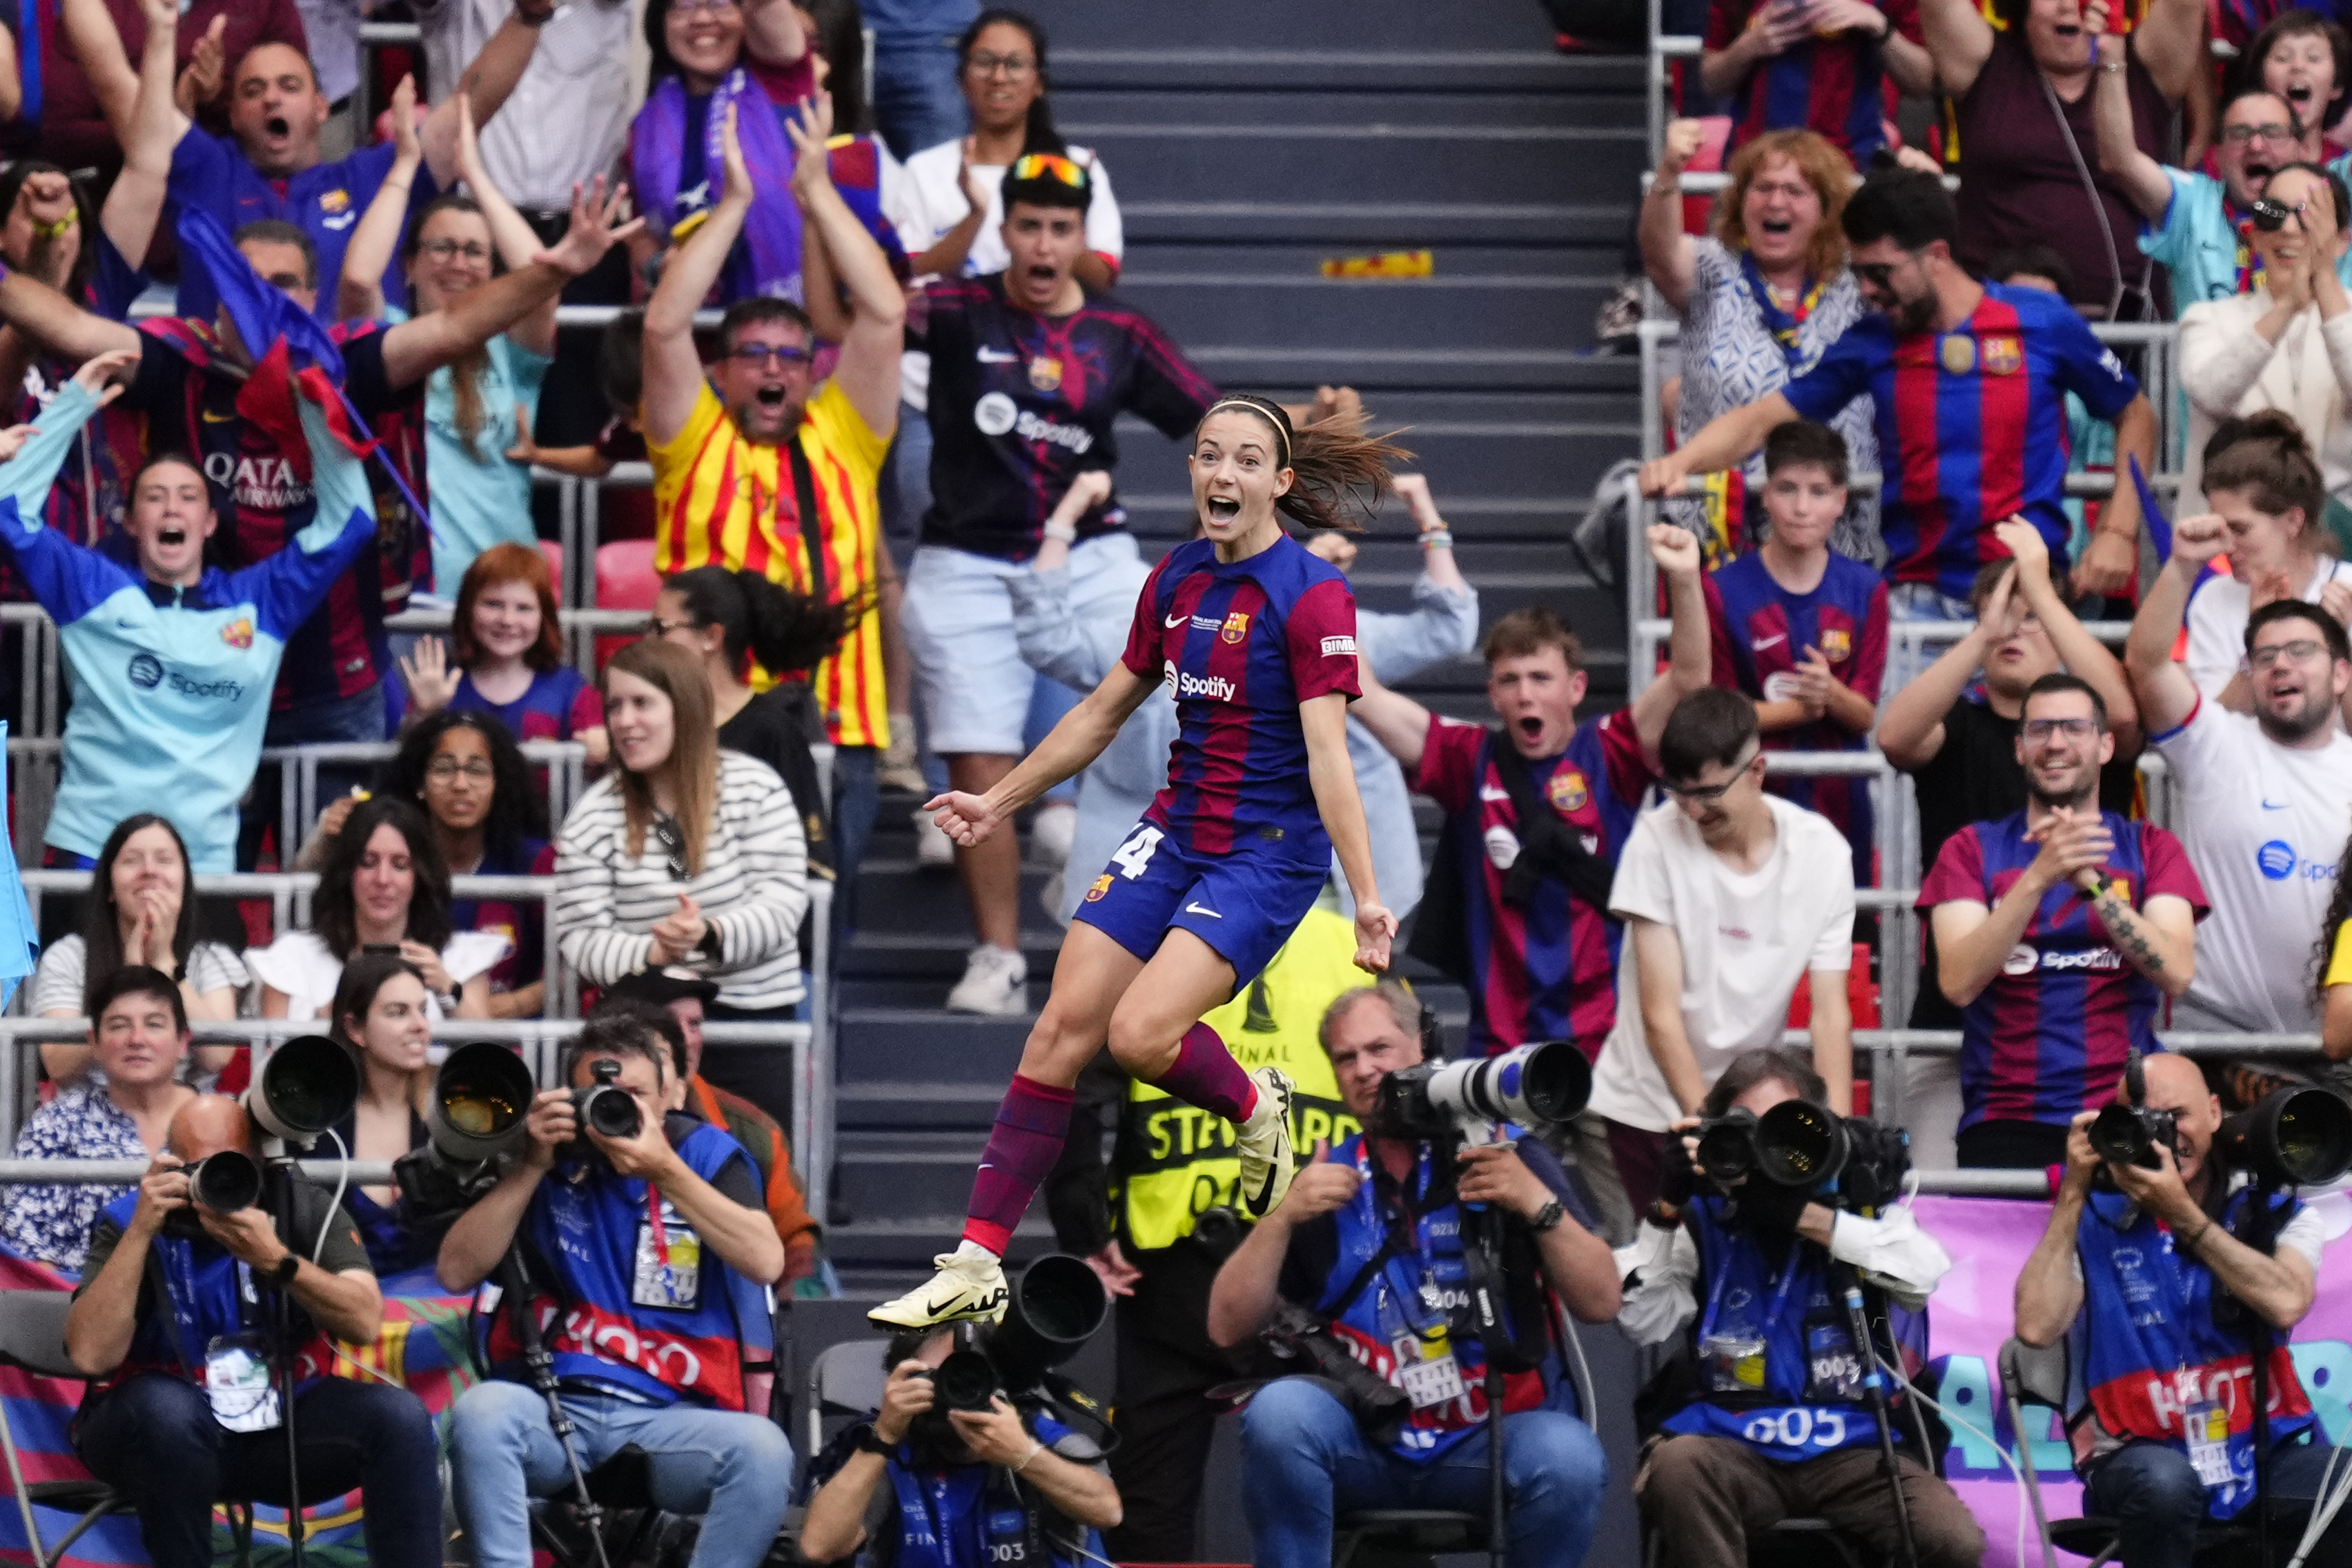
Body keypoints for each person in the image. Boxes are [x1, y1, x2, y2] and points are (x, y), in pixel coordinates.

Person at [865, 397, 1404, 1331]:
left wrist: (1364, 897)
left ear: (1280, 482)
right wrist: (998, 802)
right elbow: (1100, 712)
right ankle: (979, 1261)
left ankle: (1251, 1106)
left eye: (1245, 460)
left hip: (1266, 853)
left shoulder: (1314, 595)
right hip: (1174, 828)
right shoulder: (1178, 578)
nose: (1221, 474)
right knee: (1057, 1035)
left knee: (1141, 1035)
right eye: (1207, 456)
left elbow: (1329, 756)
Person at [0, 169, 638, 844]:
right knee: (210, 883)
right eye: (241, 283)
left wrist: (557, 271)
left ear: (311, 296)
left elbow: (451, 327)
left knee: (332, 886)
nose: (259, 301)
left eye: (280, 287)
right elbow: (68, 326)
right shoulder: (180, 360)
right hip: (207, 684)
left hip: (335, 685)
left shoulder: (349, 360)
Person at [903, 146, 1235, 1016]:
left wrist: (1305, 433)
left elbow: (1215, 424)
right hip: (965, 558)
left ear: (1083, 235)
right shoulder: (955, 306)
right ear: (1004, 231)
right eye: (1028, 227)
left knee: (1178, 695)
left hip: (1089, 553)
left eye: (1061, 228)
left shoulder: (1121, 334)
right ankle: (1000, 955)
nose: (1044, 245)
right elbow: (847, 304)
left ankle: (1114, 867)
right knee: (976, 753)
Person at [1203, 981, 1619, 1568]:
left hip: (1487, 1438)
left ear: (1421, 1049)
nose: (1365, 1069)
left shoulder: (1506, 1154)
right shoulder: (1323, 1173)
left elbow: (1601, 1302)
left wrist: (1536, 1202)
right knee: (1279, 1413)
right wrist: (1281, 1217)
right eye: (1346, 1058)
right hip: (1366, 1439)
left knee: (1570, 1457)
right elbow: (1226, 1328)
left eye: (1380, 1049)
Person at [1641, 168, 2157, 633]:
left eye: (1880, 272)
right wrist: (1680, 462)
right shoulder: (1871, 341)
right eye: (1859, 271)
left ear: (1935, 257)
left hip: (2030, 596)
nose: (1865, 289)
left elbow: (2135, 414)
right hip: (1915, 604)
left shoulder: (2041, 319)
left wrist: (2118, 530)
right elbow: (1759, 422)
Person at [1043, 907, 1366, 1564]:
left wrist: (1084, 1225)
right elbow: (1404, 1072)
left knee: (1152, 1501)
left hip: (1182, 1256)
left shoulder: (1146, 933)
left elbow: (1067, 1077)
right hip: (1318, 1255)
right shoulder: (1350, 939)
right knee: (1357, 1477)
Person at [643, 92, 900, 920]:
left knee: (817, 944)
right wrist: (738, 205)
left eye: (793, 355)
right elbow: (663, 324)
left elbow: (885, 312)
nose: (775, 369)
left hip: (838, 735)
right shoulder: (692, 443)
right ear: (723, 373)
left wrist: (816, 191)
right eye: (752, 353)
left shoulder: (844, 434)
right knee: (705, 933)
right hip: (709, 727)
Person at [0, 351, 382, 875]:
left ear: (208, 523)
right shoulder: (91, 589)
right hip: (93, 849)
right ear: (131, 523)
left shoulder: (263, 600)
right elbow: (8, 511)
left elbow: (353, 521)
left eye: (188, 497)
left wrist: (313, 408)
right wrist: (74, 404)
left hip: (201, 863)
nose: (172, 509)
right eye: (155, 498)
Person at [440, 1017, 792, 1568]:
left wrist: (665, 1169)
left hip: (673, 1418)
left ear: (669, 1097)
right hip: (557, 1407)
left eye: (634, 1095)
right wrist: (530, 1164)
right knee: (482, 1412)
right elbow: (455, 1272)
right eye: (599, 1095)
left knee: (764, 1452)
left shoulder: (702, 1153)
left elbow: (767, 1260)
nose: (616, 1111)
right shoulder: (545, 1157)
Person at [1349, 531, 1712, 1067]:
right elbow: (1360, 691)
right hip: (1502, 1053)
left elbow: (1688, 679)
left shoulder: (1611, 751)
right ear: (1493, 694)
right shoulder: (1466, 758)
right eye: (1510, 680)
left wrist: (1683, 578)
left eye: (1542, 678)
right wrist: (1315, 591)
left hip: (1610, 1049)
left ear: (1577, 688)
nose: (1525, 694)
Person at [1620, 1048, 1982, 1568]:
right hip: (1732, 1443)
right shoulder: (1702, 1220)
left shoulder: (1858, 1206)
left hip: (1853, 1451)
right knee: (1677, 1466)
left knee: (1953, 1539)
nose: (1772, 1150)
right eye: (1752, 1132)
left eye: (1785, 1130)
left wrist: (1804, 1216)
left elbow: (1923, 1277)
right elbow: (1641, 1321)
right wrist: (1666, 1205)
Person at [65, 1094, 436, 1568]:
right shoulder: (130, 1218)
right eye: (201, 1167)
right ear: (170, 1166)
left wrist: (277, 1261)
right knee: (167, 1410)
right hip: (151, 1431)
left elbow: (364, 1322)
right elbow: (92, 1356)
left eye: (233, 1166)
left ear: (259, 1163)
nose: (218, 1182)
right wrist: (142, 1230)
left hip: (270, 1420)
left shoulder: (294, 1204)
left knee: (399, 1418)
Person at [2014, 1052, 2351, 1567]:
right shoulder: (2092, 1220)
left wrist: (2183, 1216)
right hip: (2136, 1455)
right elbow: (2036, 1328)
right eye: (2144, 1121)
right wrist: (2074, 1193)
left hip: (2261, 1453)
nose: (2165, 1138)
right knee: (2167, 1486)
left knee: (2343, 1483)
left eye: (2178, 1118)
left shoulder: (2271, 1213)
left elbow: (2286, 1303)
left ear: (2216, 1113)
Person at [1877, 526, 2144, 1165]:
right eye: (1999, 618)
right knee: (1935, 1212)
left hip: (2080, 1033)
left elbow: (2125, 718)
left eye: (2030, 621)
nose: (2010, 634)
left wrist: (2044, 598)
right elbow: (1893, 736)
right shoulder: (1959, 728)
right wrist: (1983, 632)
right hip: (1955, 1019)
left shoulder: (2090, 738)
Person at [59, 0, 553, 322]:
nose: (272, 100)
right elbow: (113, 81)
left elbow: (471, 104)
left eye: (289, 87)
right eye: (253, 91)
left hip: (348, 416)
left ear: (321, 107)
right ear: (231, 114)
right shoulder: (204, 170)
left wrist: (528, 18)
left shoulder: (377, 177)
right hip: (224, 426)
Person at [1586, 689, 1859, 1229]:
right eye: (1678, 792)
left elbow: (1831, 1014)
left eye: (1709, 791)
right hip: (1650, 1108)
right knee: (1657, 1296)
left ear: (1757, 770)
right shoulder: (1654, 840)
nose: (1691, 809)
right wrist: (1714, 1133)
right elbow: (1660, 1018)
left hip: (1753, 1113)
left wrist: (1837, 1136)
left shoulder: (1822, 850)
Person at [1921, 674, 2206, 1168]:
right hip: (2005, 1116)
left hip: (2124, 1110)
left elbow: (2176, 972)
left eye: (2074, 728)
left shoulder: (2150, 847)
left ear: (2105, 745)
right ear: (2019, 748)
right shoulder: (1970, 848)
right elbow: (1959, 982)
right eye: (2040, 730)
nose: (2056, 743)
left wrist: (2092, 885)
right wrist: (2039, 877)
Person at [2128, 513, 2352, 1043]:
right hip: (2218, 1036)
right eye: (2265, 656)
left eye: (2302, 651)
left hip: (2340, 1046)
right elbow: (2146, 664)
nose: (2280, 665)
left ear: (2341, 672)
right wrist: (2183, 567)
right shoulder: (2212, 743)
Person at [553, 636, 811, 1078]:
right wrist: (657, 952)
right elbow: (581, 937)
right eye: (614, 706)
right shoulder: (592, 815)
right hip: (639, 1032)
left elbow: (784, 904)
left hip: (751, 1021)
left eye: (642, 703)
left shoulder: (756, 787)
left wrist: (708, 935)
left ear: (685, 707)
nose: (625, 721)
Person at [338, 92, 554, 598]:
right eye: (441, 248)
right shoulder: (386, 338)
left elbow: (542, 279)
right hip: (405, 594)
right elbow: (355, 279)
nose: (459, 263)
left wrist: (476, 176)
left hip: (504, 598)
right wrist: (405, 168)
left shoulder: (510, 348)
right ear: (409, 267)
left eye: (475, 251)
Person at [1641, 122, 1878, 569]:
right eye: (1763, 187)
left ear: (1827, 210)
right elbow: (1659, 253)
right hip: (1721, 528)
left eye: (1795, 190)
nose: (1776, 202)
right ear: (1740, 202)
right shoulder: (1713, 267)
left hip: (1837, 526)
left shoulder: (1858, 281)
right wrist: (1670, 172)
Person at [1914, 0, 2203, 318]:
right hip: (1997, 329)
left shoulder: (2147, 66)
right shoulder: (1984, 63)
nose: (2069, 6)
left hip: (2124, 330)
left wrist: (2111, 47)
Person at [1703, 420, 1887, 886]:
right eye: (1787, 489)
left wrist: (1832, 694)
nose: (1802, 508)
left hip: (1840, 799)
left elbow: (1865, 715)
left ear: (1841, 501)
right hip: (1751, 796)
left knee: (1847, 935)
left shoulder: (1866, 590)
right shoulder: (1723, 589)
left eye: (1818, 492)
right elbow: (1720, 715)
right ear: (1765, 494)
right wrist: (1805, 707)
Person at [1301, 472, 1482, 923]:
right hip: (1254, 864)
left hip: (1354, 881)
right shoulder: (1205, 633)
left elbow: (1452, 630)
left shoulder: (1349, 630)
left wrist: (1426, 516)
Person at [798, 1326, 1120, 1567]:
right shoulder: (887, 1451)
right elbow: (817, 1547)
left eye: (968, 1375)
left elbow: (1108, 1510)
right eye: (935, 1378)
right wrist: (883, 1437)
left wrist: (1023, 1455)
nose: (953, 1391)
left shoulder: (1040, 1435)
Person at [308, 712, 554, 1018]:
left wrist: (502, 1008)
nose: (460, 784)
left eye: (477, 771)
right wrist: (322, 841)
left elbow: (566, 972)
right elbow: (308, 896)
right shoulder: (386, 851)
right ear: (419, 783)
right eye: (444, 769)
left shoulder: (534, 861)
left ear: (498, 783)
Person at [594, 974, 823, 1286]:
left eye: (695, 1025)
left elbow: (796, 1240)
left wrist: (787, 1318)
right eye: (671, 1027)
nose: (687, 1041)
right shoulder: (570, 1124)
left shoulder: (752, 1130)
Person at [652, 563, 858, 899]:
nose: (651, 642)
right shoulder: (654, 726)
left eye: (662, 628)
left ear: (711, 637)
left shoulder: (772, 730)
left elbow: (804, 858)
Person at [2095, 61, 2352, 308]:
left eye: (2273, 133)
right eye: (2240, 134)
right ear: (2217, 155)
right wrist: (2111, 58)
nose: (2256, 146)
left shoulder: (2333, 194)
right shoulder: (2194, 202)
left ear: (2302, 150)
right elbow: (2120, 159)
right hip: (2216, 352)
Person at [2179, 166, 2352, 521]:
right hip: (2227, 541)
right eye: (2273, 214)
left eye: (2308, 217)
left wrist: (2326, 283)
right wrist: (2287, 306)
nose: (2288, 228)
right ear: (2254, 234)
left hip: (2339, 543)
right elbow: (2212, 393)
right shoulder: (2208, 318)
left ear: (2341, 241)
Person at [1, 967, 200, 1271]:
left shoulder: (221, 1120)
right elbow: (31, 1252)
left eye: (154, 1025)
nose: (137, 1039)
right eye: (119, 1026)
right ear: (94, 1041)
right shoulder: (57, 1124)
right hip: (76, 1304)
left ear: (183, 1040)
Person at [29, 815, 246, 1090]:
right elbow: (59, 1064)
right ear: (109, 887)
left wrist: (165, 966)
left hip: (187, 1117)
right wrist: (127, 981)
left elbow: (217, 1056)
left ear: (184, 884)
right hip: (90, 1116)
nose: (149, 871)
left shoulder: (212, 957)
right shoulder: (68, 956)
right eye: (132, 860)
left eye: (164, 860)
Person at [249, 795, 509, 1021]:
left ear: (419, 876)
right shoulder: (294, 958)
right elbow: (272, 1066)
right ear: (347, 872)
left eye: (400, 865)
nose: (383, 879)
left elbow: (483, 1059)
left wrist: (446, 990)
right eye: (368, 862)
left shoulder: (457, 958)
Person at [628, 0, 814, 305]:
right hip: (691, 326)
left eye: (719, 3)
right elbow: (640, 229)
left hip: (780, 331)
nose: (702, 18)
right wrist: (658, 266)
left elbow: (772, 16)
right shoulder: (646, 124)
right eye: (683, 6)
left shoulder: (781, 81)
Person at [2178, 414, 2352, 714]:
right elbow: (2216, 728)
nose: (2227, 545)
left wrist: (2340, 643)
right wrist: (2259, 641)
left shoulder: (2347, 587)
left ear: (2293, 521)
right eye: (2220, 529)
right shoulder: (2213, 599)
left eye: (2240, 529)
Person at [386, 542, 608, 758]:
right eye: (493, 604)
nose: (507, 620)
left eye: (524, 608)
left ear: (544, 618)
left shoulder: (570, 691)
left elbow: (598, 776)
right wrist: (423, 713)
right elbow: (406, 771)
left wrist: (602, 748)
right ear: (468, 609)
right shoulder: (442, 687)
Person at [35, 0, 305, 173]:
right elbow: (63, 136)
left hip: (251, 183)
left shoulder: (265, 5)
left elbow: (298, 101)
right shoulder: (99, 7)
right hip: (136, 199)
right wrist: (175, 111)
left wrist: (216, 96)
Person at [322, 953, 440, 1287]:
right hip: (336, 1315)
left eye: (423, 1009)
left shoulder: (450, 1111)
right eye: (398, 1012)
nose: (420, 1024)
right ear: (355, 1028)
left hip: (441, 1321)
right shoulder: (318, 1124)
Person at [1698, 0, 1930, 162]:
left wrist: (1878, 25)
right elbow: (1711, 81)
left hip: (1850, 163)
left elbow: (1922, 82)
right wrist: (1748, 46)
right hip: (1755, 163)